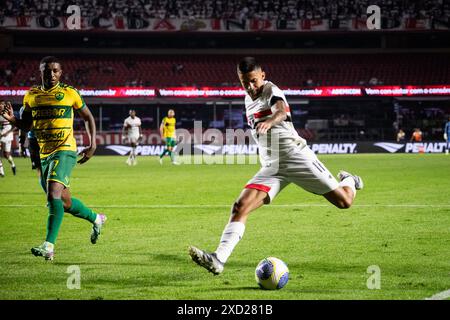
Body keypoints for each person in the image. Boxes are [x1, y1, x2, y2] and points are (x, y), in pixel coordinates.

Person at [188, 57, 364, 275]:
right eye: (245, 83)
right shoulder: (247, 99)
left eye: (254, 81)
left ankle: (350, 180)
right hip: (272, 167)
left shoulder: (271, 90)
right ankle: (218, 259)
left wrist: (270, 121)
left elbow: (281, 111)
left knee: (344, 201)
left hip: (296, 157)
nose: (251, 87)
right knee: (240, 207)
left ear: (262, 75)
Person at [0, 56, 107, 261]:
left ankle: (48, 246)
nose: (51, 74)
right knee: (64, 202)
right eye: (47, 70)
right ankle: (96, 218)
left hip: (65, 150)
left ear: (61, 72)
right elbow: (28, 126)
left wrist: (93, 144)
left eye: (55, 70)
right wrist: (13, 119)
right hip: (44, 154)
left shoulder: (69, 92)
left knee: (52, 195)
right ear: (40, 72)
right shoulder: (31, 95)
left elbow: (88, 117)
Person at [0, 100, 17, 177]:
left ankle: (13, 165)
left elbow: (15, 126)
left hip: (7, 135)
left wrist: (7, 132)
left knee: (6, 155)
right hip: (1, 135)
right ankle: (1, 171)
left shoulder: (9, 113)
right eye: (0, 104)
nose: (1, 105)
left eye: (2, 104)